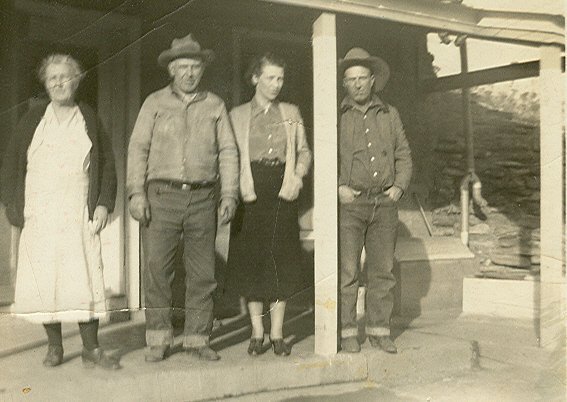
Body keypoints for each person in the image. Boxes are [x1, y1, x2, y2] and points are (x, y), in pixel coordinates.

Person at [0, 54, 119, 369]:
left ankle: (91, 348)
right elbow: (11, 165)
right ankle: (54, 347)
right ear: (46, 83)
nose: (59, 83)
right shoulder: (32, 119)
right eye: (52, 78)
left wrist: (104, 203)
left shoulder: (88, 118)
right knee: (45, 279)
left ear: (76, 81)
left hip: (77, 211)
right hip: (39, 214)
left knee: (83, 276)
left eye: (65, 77)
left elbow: (106, 164)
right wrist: (14, 207)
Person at [127, 34, 239, 362]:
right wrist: (136, 193)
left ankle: (197, 338)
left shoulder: (215, 105)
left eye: (195, 67)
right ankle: (159, 340)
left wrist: (229, 193)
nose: (189, 73)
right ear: (172, 70)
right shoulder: (154, 103)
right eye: (183, 67)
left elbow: (229, 151)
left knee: (203, 272)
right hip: (160, 195)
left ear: (202, 70)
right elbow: (138, 148)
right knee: (158, 270)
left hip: (203, 197)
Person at [228, 53, 312, 356]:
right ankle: (257, 331)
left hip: (282, 190)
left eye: (280, 78)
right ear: (255, 79)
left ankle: (277, 332)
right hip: (249, 191)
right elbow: (229, 155)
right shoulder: (236, 115)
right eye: (270, 78)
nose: (276, 84)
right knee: (252, 260)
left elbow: (303, 151)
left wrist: (297, 176)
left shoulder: (290, 111)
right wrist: (233, 188)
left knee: (281, 259)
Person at [338, 48, 412, 354]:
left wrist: (398, 187)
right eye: (351, 79)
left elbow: (404, 155)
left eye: (362, 78)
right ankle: (345, 332)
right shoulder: (336, 116)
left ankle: (380, 331)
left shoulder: (390, 114)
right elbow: (324, 155)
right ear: (345, 83)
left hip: (384, 204)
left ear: (373, 81)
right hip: (350, 205)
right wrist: (337, 186)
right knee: (348, 272)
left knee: (382, 271)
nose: (357, 85)